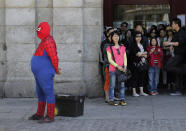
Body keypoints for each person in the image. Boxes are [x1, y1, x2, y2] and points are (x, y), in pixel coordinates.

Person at [29, 22, 61, 123]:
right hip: (39, 73)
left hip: (45, 72)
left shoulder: (49, 41)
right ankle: (39, 114)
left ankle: (50, 116)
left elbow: (54, 57)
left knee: (48, 93)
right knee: (40, 93)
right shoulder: (44, 41)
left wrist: (56, 69)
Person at [164, 18, 186, 95]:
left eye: (172, 24)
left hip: (180, 55)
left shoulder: (182, 33)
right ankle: (178, 90)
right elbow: (174, 43)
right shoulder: (176, 33)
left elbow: (179, 43)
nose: (171, 25)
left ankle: (183, 70)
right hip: (176, 55)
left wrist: (169, 44)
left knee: (167, 66)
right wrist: (171, 46)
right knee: (177, 74)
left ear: (177, 24)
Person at [106, 31, 127, 106]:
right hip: (113, 69)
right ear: (111, 37)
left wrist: (125, 66)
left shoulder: (123, 47)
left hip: (122, 69)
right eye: (114, 36)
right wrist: (118, 66)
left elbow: (125, 58)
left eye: (117, 36)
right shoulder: (109, 48)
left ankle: (122, 99)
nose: (116, 37)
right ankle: (111, 99)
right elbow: (110, 59)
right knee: (112, 85)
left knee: (122, 85)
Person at [131, 31, 149, 97]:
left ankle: (141, 92)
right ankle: (134, 92)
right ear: (134, 37)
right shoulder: (133, 45)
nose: (139, 38)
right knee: (135, 78)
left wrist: (142, 54)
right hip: (135, 64)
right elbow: (137, 54)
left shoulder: (142, 44)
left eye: (140, 36)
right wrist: (143, 54)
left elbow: (147, 54)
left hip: (143, 63)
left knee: (142, 78)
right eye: (137, 36)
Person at [100, 27, 114, 102]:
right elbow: (104, 54)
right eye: (112, 33)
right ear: (108, 34)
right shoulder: (105, 44)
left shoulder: (115, 43)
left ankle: (112, 95)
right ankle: (107, 97)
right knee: (107, 80)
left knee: (114, 81)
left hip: (115, 65)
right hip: (107, 64)